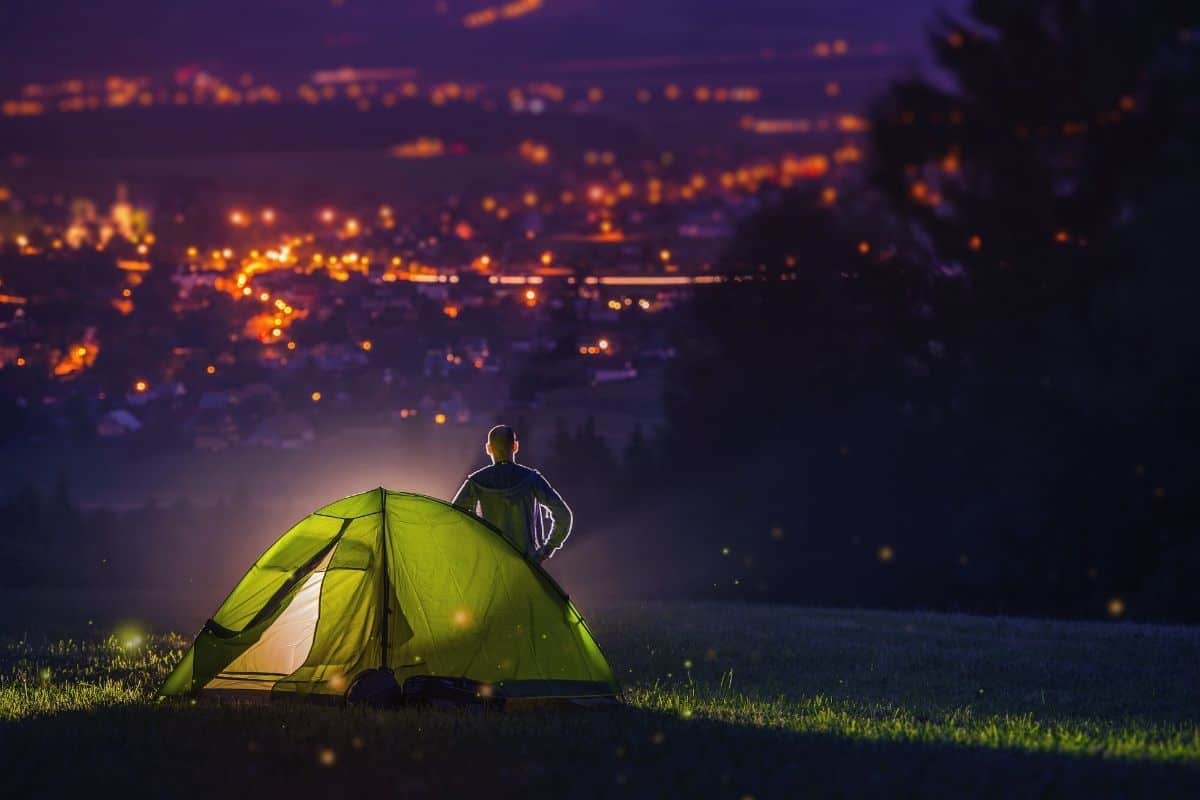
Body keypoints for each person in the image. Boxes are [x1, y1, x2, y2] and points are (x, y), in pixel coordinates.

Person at [452, 425, 573, 563]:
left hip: (489, 565)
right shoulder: (532, 480)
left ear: (488, 448)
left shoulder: (475, 483)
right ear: (515, 446)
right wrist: (545, 550)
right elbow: (563, 516)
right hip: (526, 566)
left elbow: (452, 519)